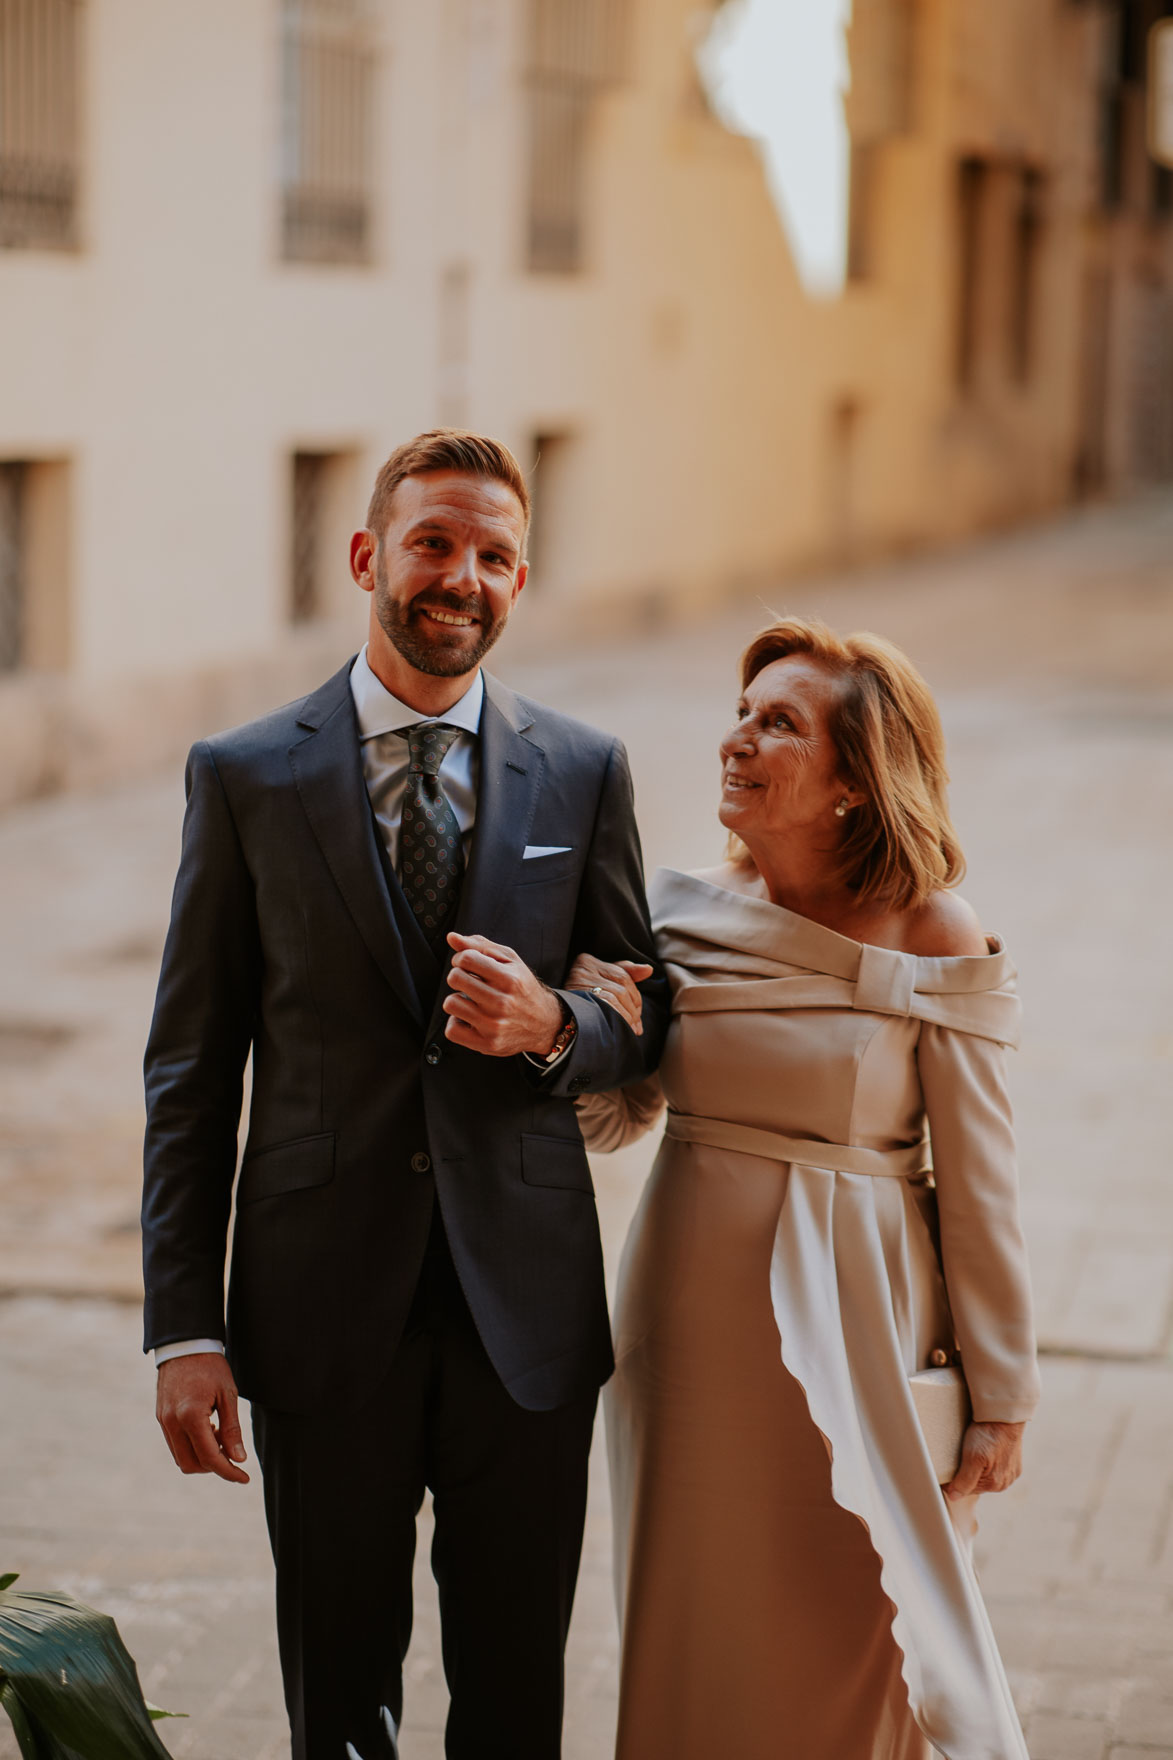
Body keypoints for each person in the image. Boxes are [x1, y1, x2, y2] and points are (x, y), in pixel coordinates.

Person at [141, 429, 668, 1760]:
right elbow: (193, 1070)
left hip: (526, 1317)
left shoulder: (584, 769)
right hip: (321, 1310)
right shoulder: (246, 775)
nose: (463, 576)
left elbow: (643, 1011)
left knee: (514, 1699)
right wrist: (181, 1328)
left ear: (520, 582)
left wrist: (558, 1024)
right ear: (369, 555)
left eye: (495, 554)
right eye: (435, 541)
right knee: (339, 1695)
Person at [570, 617, 1039, 1760]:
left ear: (852, 781)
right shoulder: (678, 915)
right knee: (697, 1617)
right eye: (742, 712)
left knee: (867, 1626)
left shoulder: (933, 928)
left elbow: (979, 1181)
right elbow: (623, 1117)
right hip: (688, 1322)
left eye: (779, 722)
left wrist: (1002, 1388)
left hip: (862, 1324)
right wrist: (584, 1030)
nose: (738, 739)